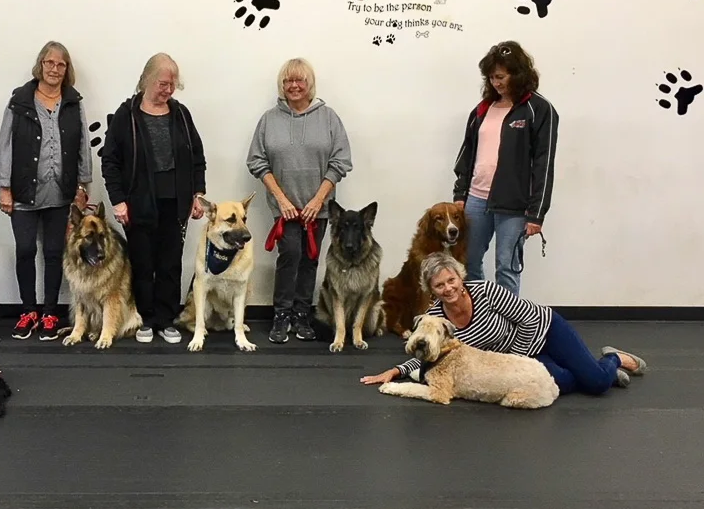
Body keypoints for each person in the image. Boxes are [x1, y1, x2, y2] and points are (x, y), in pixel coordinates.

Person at [359, 252, 647, 396]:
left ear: (460, 277)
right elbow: (428, 354)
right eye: (439, 285)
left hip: (546, 330)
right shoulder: (435, 319)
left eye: (451, 280)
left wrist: (516, 358)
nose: (448, 288)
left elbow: (528, 318)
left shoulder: (485, 291)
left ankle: (612, 359)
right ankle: (594, 370)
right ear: (430, 290)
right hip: (524, 359)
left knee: (596, 384)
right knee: (563, 384)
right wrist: (395, 371)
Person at [99, 53, 207, 344]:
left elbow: (197, 157)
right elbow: (110, 161)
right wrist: (118, 200)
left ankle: (166, 319)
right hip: (138, 203)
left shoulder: (181, 114)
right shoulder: (126, 115)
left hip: (175, 202)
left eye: (173, 85)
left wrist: (198, 194)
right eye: (163, 84)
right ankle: (144, 318)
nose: (168, 90)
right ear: (146, 80)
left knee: (170, 264)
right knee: (142, 263)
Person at [246, 57, 353, 344]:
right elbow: (257, 161)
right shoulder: (269, 120)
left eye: (299, 80)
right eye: (288, 81)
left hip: (317, 208)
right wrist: (281, 200)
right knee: (289, 255)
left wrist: (318, 201)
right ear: (282, 85)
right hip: (285, 208)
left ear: (309, 84)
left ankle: (302, 314)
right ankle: (281, 314)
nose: (294, 85)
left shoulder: (329, 118)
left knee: (310, 259)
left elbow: (340, 161)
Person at [0, 41, 92, 341]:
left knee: (53, 253)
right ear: (40, 65)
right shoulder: (20, 101)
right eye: (50, 62)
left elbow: (83, 146)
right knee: (25, 250)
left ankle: (49, 312)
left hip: (60, 194)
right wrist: (5, 187)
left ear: (67, 69)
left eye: (61, 64)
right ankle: (28, 311)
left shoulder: (74, 103)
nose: (55, 69)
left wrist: (83, 186)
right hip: (23, 192)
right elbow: (5, 144)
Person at [451, 40, 560, 296]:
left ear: (518, 74)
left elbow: (544, 165)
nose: (495, 83)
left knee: (506, 267)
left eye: (500, 77)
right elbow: (467, 154)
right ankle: (479, 314)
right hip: (476, 199)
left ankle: (508, 319)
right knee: (468, 263)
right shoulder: (482, 109)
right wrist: (460, 194)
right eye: (491, 78)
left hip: (514, 205)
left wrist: (536, 214)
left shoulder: (539, 110)